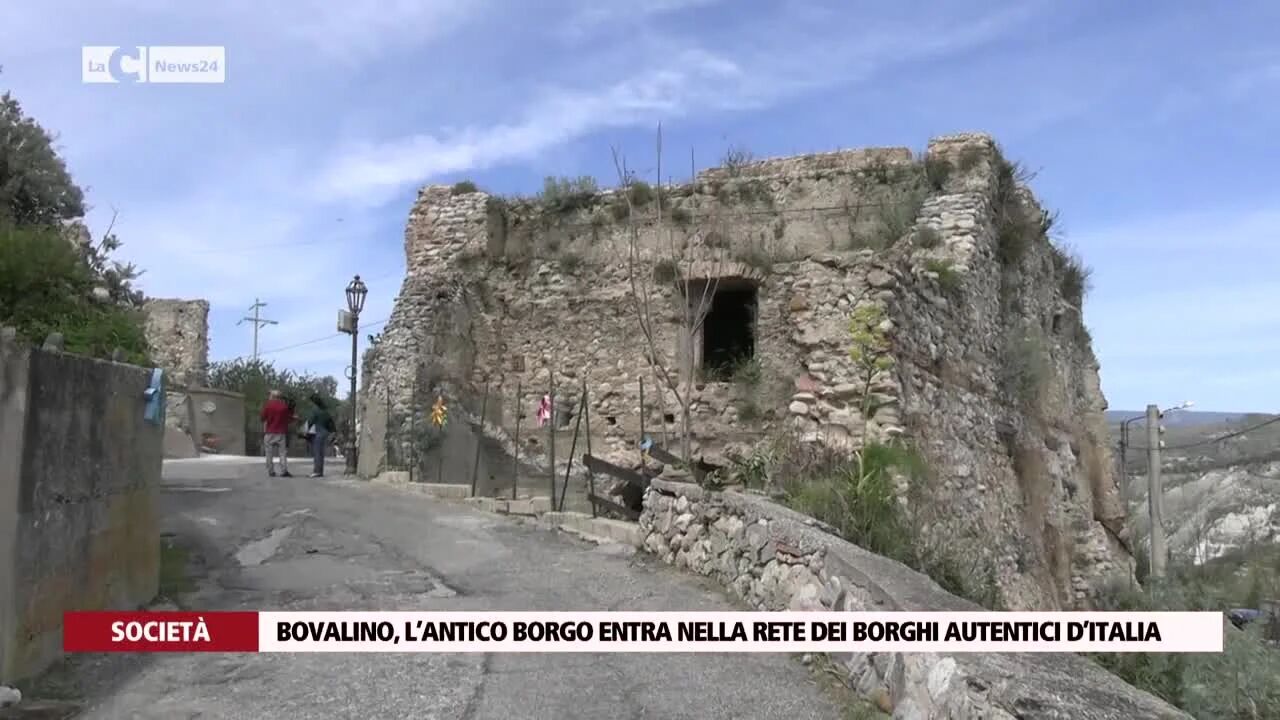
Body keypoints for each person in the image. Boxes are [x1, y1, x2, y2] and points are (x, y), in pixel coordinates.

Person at [260, 389, 294, 477]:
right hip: (281, 432)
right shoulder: (284, 406)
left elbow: (262, 418)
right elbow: (288, 418)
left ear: (273, 396)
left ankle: (271, 471)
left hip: (270, 432)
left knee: (269, 453)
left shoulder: (268, 405)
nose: (269, 397)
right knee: (282, 453)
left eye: (270, 395)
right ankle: (284, 471)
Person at [306, 394, 337, 477]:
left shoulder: (315, 410)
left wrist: (304, 431)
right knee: (321, 453)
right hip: (325, 432)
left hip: (318, 431)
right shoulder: (325, 411)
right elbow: (330, 422)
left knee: (317, 452)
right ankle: (320, 471)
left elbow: (310, 421)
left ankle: (316, 471)